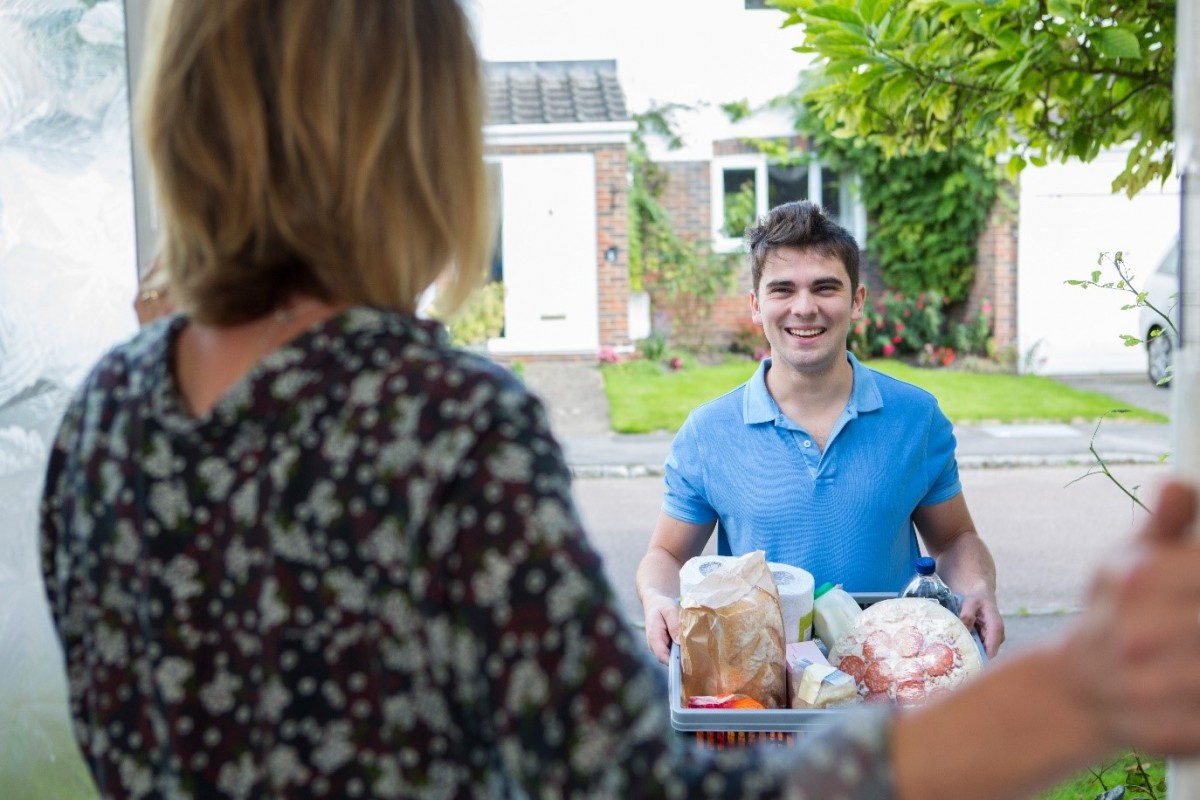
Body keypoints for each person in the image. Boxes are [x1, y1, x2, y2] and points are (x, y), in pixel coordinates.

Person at [38, 2, 1200, 798]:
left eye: (824, 289)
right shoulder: (441, 420)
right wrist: (1072, 692)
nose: (804, 308)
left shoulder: (105, 413)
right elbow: (639, 779)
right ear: (413, 137)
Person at [636, 200, 1004, 663]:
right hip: (760, 695)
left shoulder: (916, 418)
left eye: (825, 287)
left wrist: (978, 589)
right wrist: (659, 601)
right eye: (782, 289)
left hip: (888, 684)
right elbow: (666, 556)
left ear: (857, 301)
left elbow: (954, 541)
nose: (805, 308)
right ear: (756, 305)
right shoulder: (708, 433)